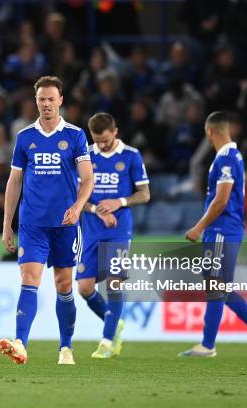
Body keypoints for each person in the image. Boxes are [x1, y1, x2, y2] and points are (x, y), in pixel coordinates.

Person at [0, 76, 94, 365]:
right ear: (36, 100)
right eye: (41, 99)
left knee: (64, 284)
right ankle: (20, 344)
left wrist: (78, 206)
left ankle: (65, 347)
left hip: (65, 224)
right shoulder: (25, 137)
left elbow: (88, 178)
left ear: (61, 100)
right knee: (29, 279)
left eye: (51, 98)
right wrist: (7, 224)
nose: (46, 103)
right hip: (33, 224)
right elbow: (14, 182)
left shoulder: (76, 135)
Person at [181, 111, 247, 358]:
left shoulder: (225, 158)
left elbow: (221, 199)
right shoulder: (231, 156)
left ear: (209, 132)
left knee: (215, 284)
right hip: (223, 229)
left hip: (223, 229)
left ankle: (208, 345)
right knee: (218, 285)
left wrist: (199, 226)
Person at [78, 113, 150, 359]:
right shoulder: (85, 155)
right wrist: (97, 209)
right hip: (91, 228)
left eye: (106, 141)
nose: (102, 145)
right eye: (97, 141)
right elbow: (76, 195)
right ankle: (114, 321)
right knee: (84, 288)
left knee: (114, 281)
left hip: (119, 230)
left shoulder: (131, 155)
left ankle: (108, 341)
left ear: (115, 132)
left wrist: (119, 202)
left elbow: (144, 194)